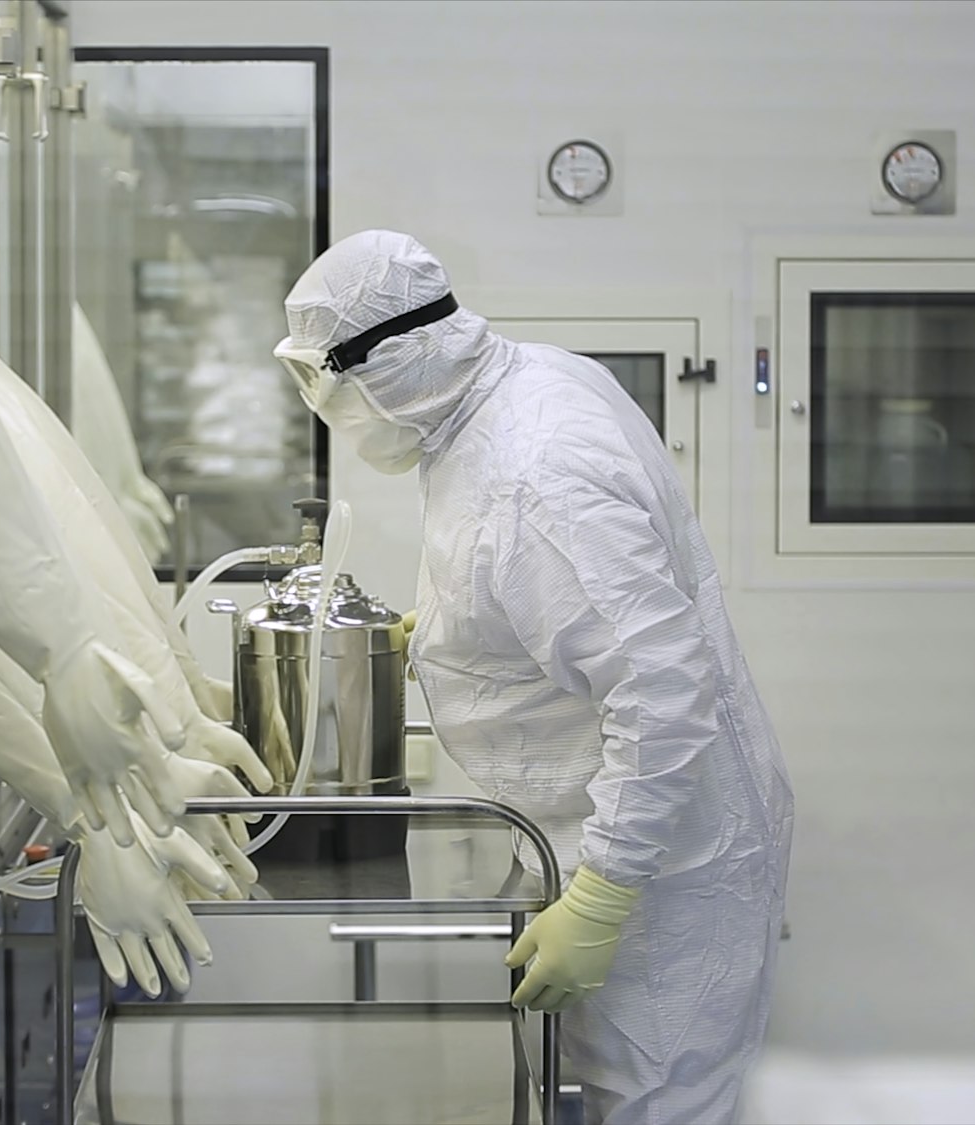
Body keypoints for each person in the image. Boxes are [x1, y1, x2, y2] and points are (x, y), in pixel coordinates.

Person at [275, 230, 795, 1124]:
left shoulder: (532, 476)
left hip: (660, 870)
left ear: (388, 361)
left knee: (655, 1104)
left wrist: (601, 894)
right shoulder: (513, 387)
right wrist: (446, 635)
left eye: (321, 382)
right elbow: (557, 600)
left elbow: (664, 689)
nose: (325, 407)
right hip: (591, 833)